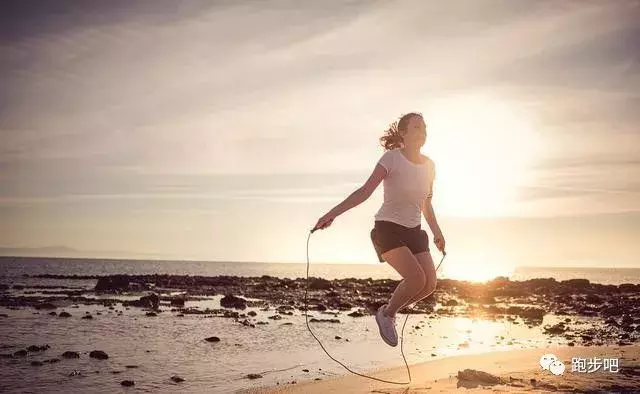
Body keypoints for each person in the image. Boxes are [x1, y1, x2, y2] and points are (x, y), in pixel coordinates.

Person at [312, 112, 445, 347]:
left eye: (424, 128)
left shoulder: (430, 166)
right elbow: (364, 192)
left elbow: (426, 203)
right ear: (403, 133)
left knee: (429, 285)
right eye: (416, 127)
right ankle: (387, 314)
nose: (421, 132)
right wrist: (331, 214)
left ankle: (388, 310)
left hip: (415, 231)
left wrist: (437, 232)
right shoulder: (391, 159)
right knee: (415, 278)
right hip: (388, 229)